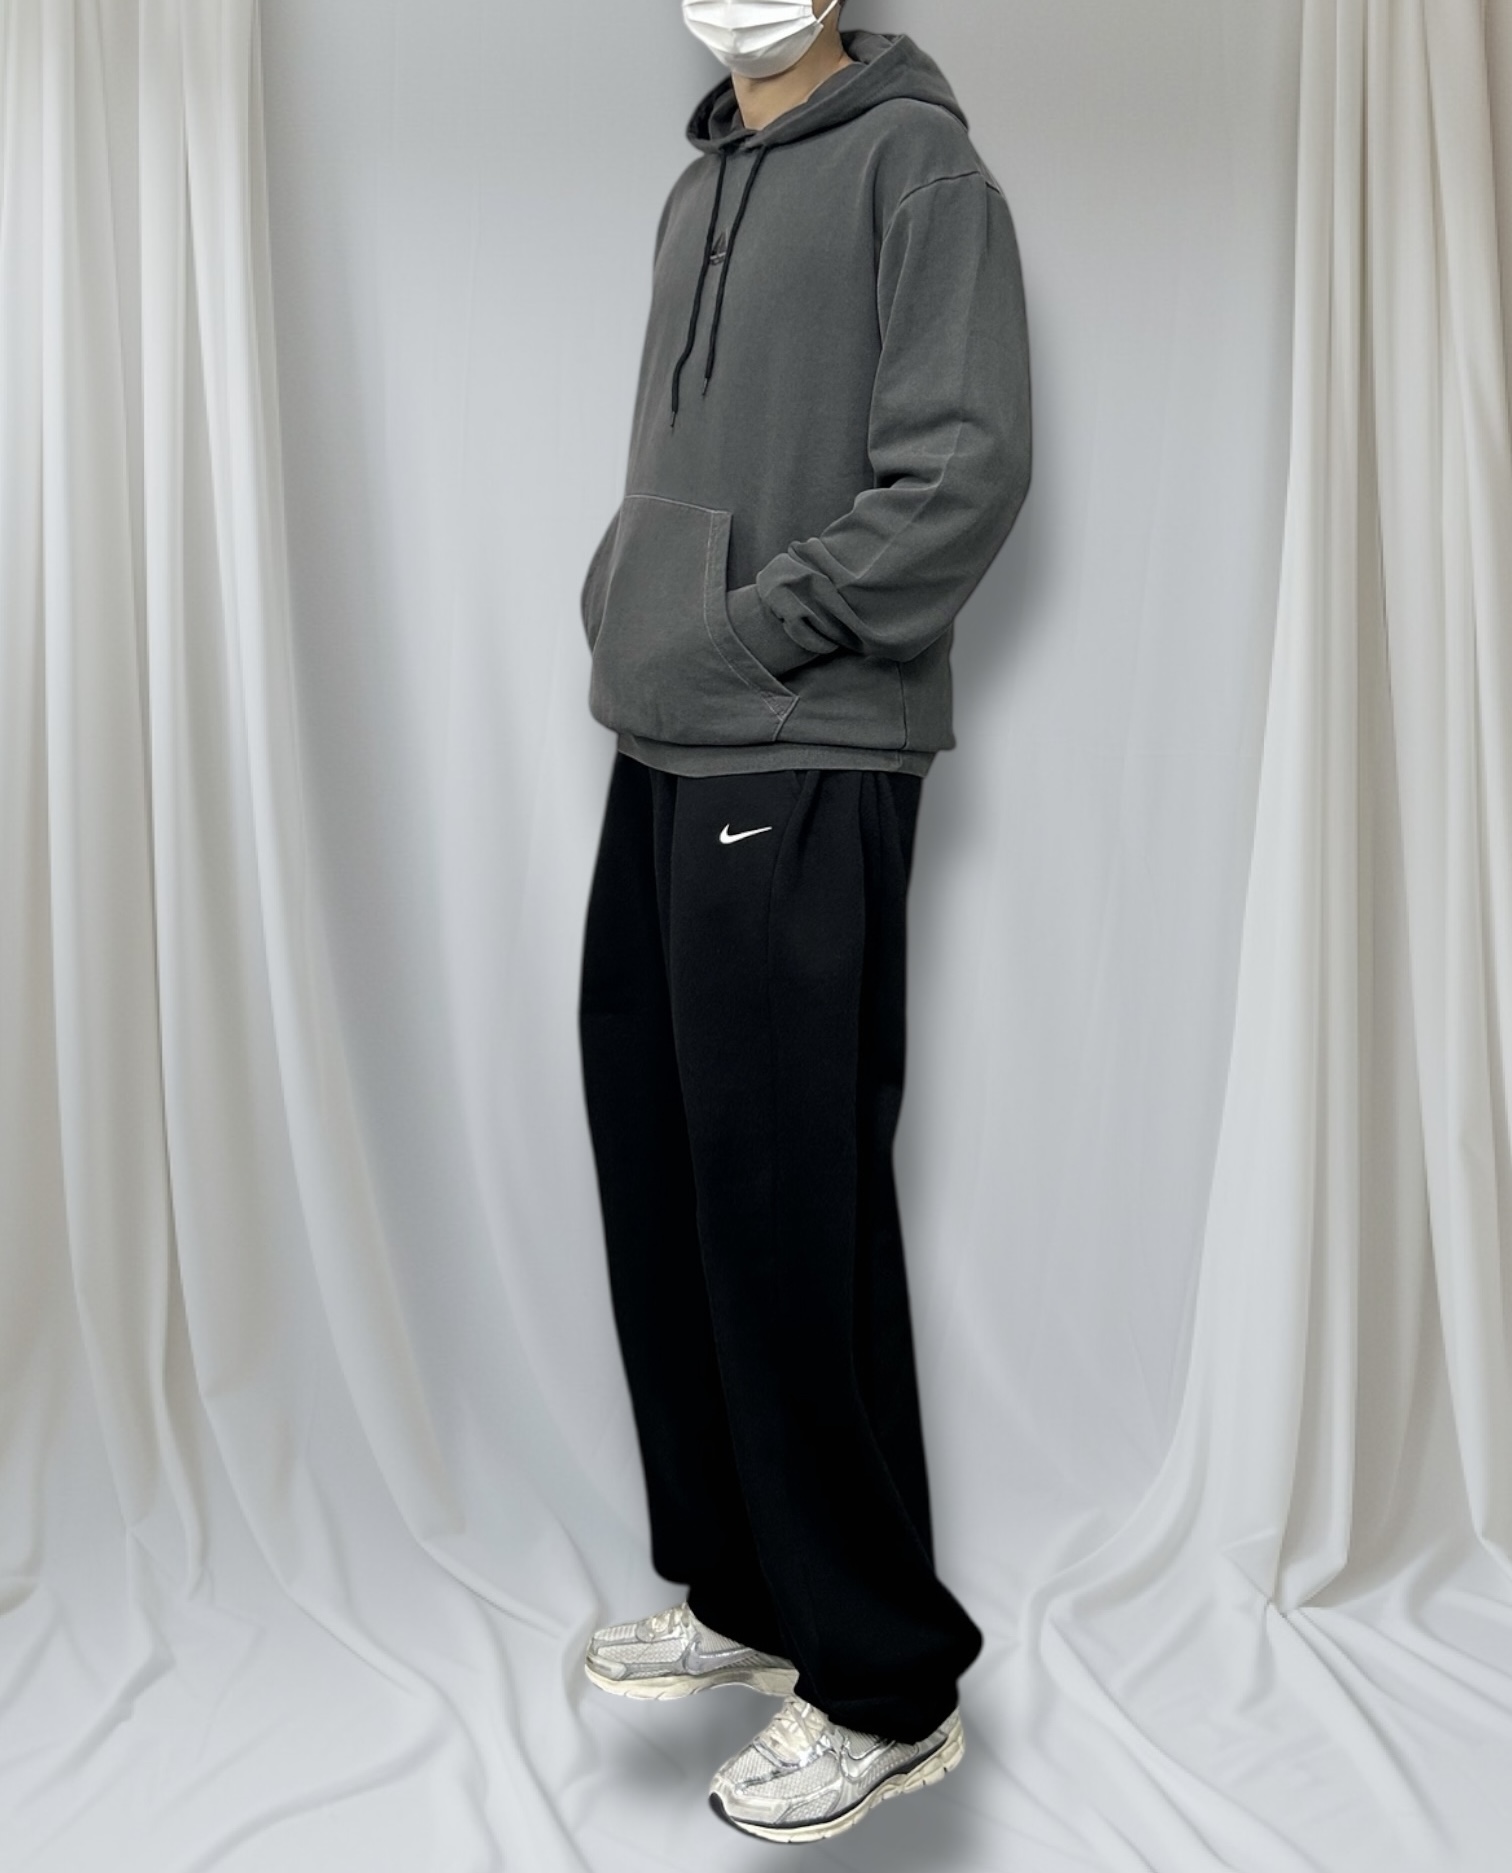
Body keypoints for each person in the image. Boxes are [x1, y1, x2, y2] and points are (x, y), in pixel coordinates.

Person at [575, 0, 1031, 1846]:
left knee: (786, 1201)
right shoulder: (698, 187)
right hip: (664, 739)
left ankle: (884, 1681)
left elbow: (962, 471)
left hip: (804, 743)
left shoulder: (920, 167)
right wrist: (636, 608)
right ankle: (751, 1592)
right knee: (666, 1169)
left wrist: (751, 631)